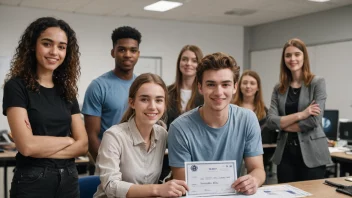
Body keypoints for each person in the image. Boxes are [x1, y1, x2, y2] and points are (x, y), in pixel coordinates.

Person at [2, 17, 88, 198]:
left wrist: (39, 146)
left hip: (69, 181)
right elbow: (26, 146)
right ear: (33, 45)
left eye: (62, 47)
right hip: (32, 182)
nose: (54, 52)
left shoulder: (67, 91)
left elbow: (83, 145)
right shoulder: (16, 87)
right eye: (47, 44)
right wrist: (68, 140)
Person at [168, 52, 265, 195]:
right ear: (200, 87)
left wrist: (253, 180)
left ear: (234, 87)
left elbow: (258, 169)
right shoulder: (179, 128)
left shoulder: (248, 119)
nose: (219, 92)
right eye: (211, 84)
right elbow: (184, 182)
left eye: (225, 84)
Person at [93, 73, 188, 198]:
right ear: (132, 103)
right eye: (144, 99)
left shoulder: (162, 134)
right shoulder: (114, 136)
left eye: (159, 100)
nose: (152, 106)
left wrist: (169, 183)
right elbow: (111, 186)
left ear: (164, 105)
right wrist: (158, 189)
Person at [266, 38, 332, 183]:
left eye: (297, 54)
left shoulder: (316, 83)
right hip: (285, 154)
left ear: (304, 57)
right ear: (284, 59)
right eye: (288, 55)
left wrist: (283, 124)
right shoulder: (279, 88)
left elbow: (314, 121)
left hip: (312, 153)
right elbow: (271, 121)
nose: (292, 59)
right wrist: (302, 114)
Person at [82, 26, 141, 162]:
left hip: (138, 161)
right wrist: (107, 167)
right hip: (109, 161)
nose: (127, 54)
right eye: (122, 49)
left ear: (138, 54)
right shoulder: (98, 86)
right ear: (113, 52)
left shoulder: (141, 86)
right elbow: (91, 136)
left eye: (133, 50)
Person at [232, 70, 276, 178]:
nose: (248, 86)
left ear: (258, 87)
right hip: (233, 155)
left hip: (256, 158)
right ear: (238, 86)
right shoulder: (230, 107)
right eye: (245, 82)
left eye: (252, 83)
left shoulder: (264, 112)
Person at [166, 45, 204, 128]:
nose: (188, 63)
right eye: (184, 59)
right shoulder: (167, 92)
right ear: (179, 62)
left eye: (194, 61)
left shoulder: (204, 94)